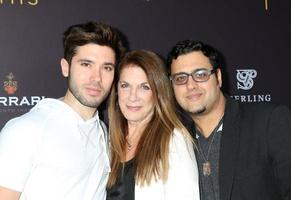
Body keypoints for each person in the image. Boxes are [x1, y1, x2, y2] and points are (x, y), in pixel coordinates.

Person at [0, 21, 125, 200]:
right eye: (86, 64)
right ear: (65, 67)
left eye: (107, 68)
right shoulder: (26, 130)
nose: (96, 78)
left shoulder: (103, 133)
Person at [167, 39, 291, 200]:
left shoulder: (268, 122)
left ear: (218, 77)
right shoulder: (176, 142)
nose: (191, 85)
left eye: (200, 75)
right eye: (181, 78)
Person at [106, 49, 200, 200]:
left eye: (144, 87)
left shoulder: (174, 140)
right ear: (116, 91)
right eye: (125, 85)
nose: (132, 96)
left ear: (158, 92)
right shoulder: (108, 141)